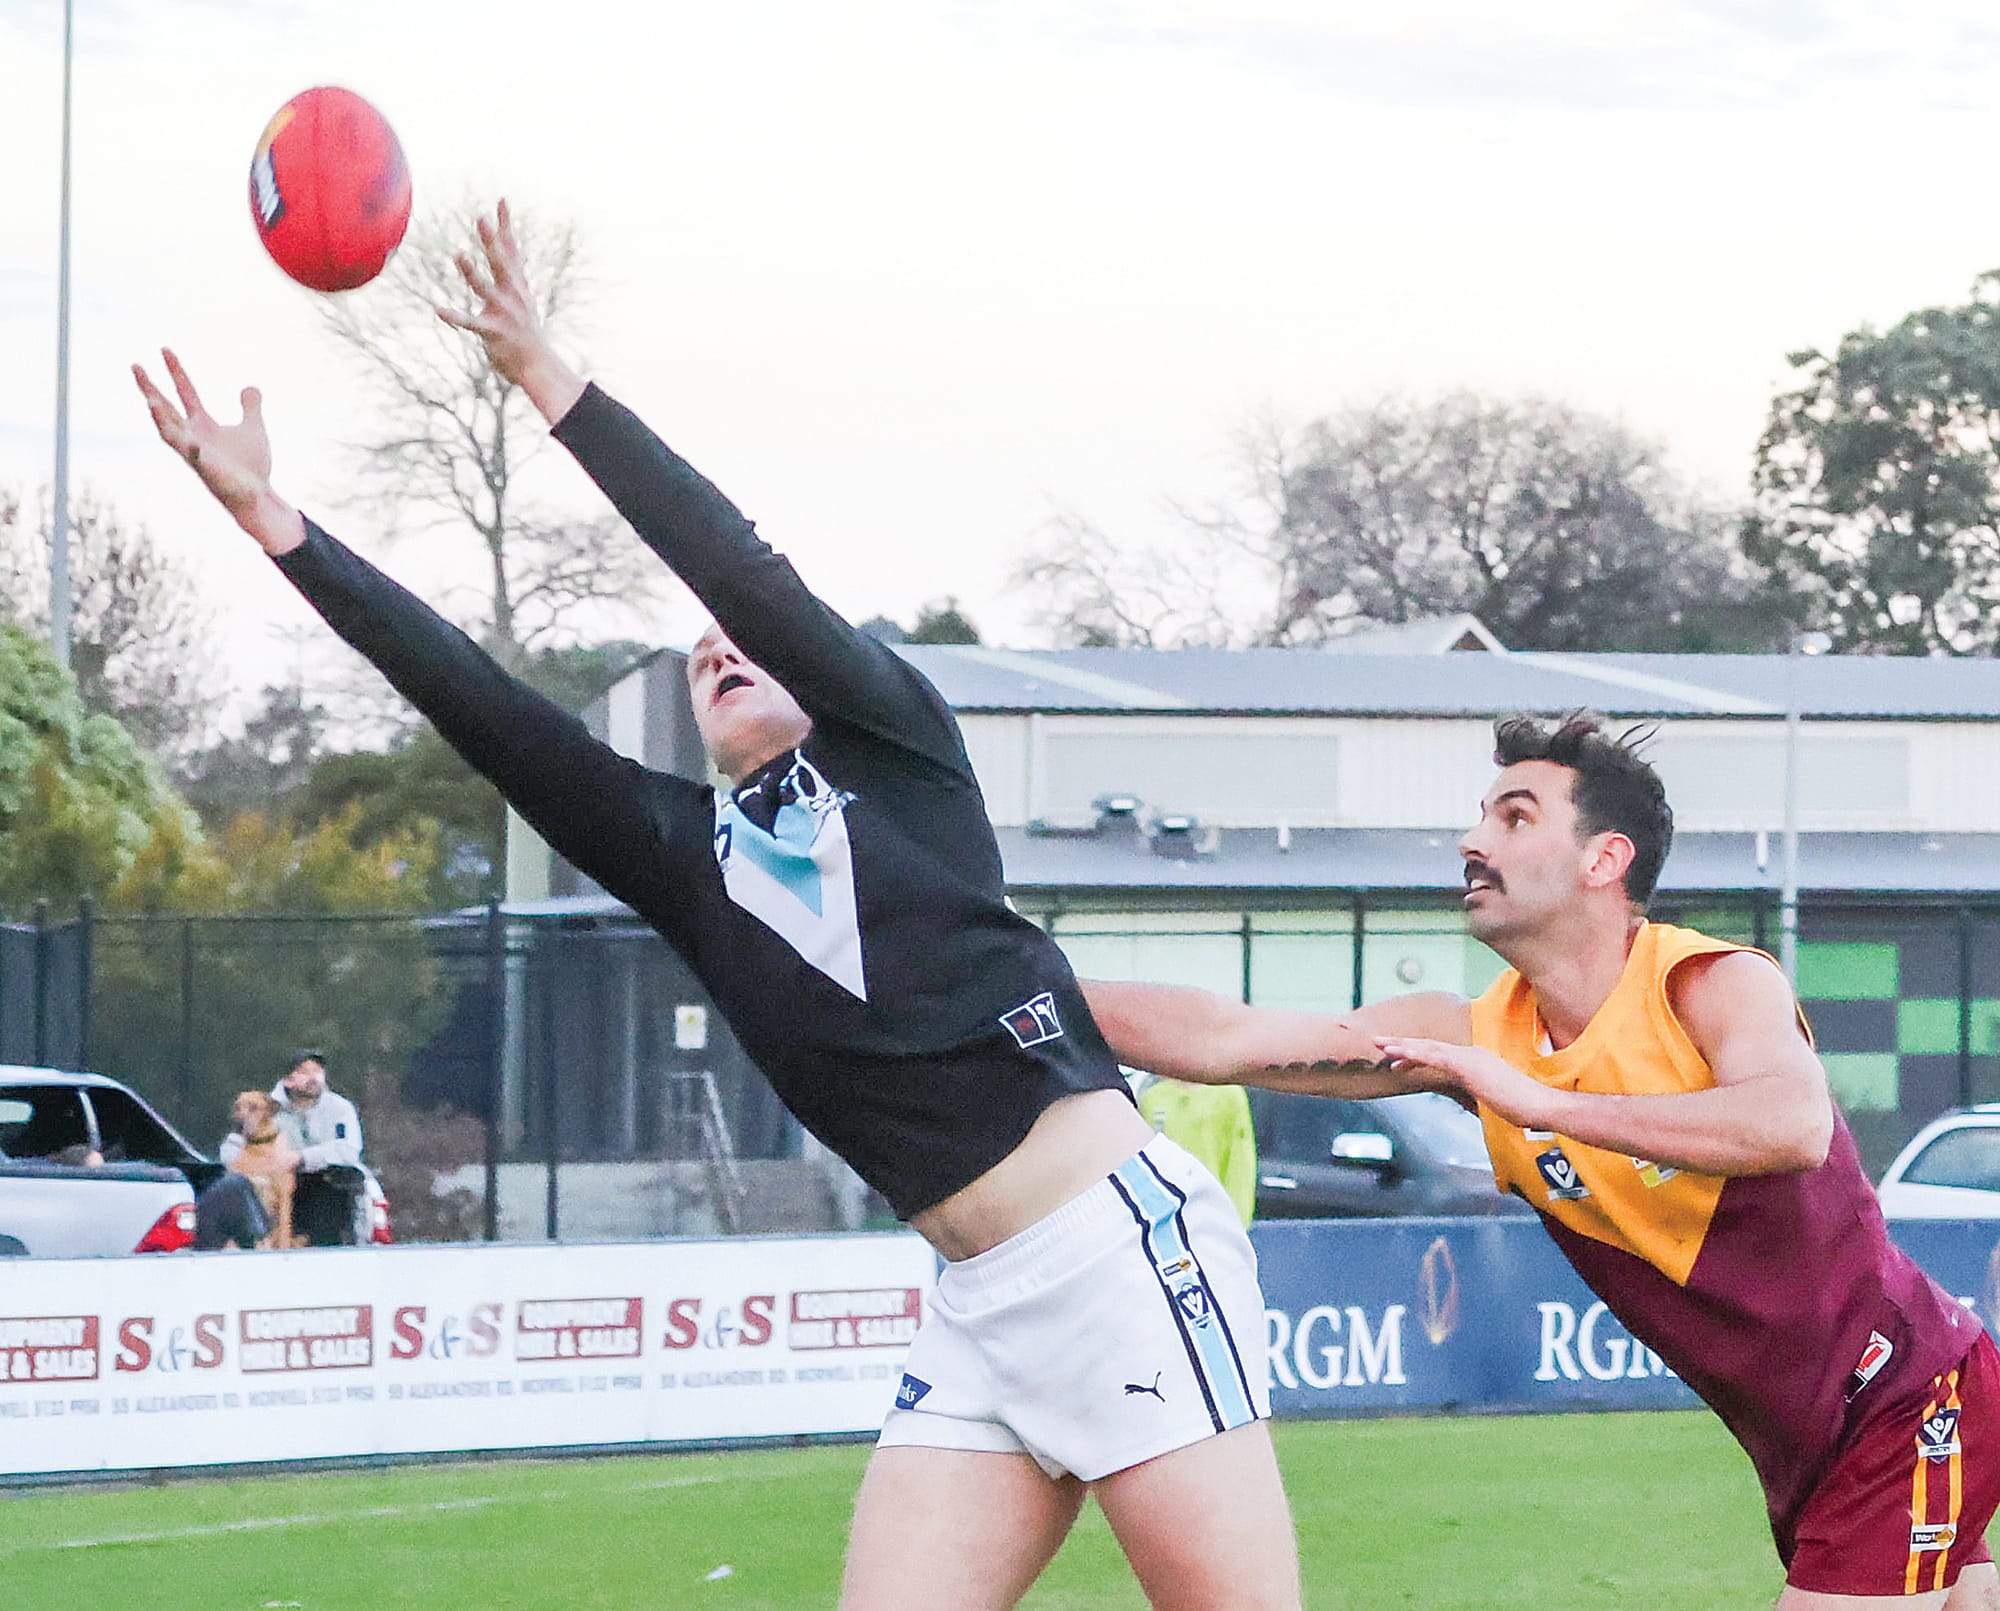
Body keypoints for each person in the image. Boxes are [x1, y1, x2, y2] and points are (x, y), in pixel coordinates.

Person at [133, 202, 1298, 1611]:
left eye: (741, 644)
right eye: (698, 659)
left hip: (1115, 1249)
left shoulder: (901, 747)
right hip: (983, 1305)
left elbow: (730, 561)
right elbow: (484, 708)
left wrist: (550, 384)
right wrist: (276, 522)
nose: (715, 644)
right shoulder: (696, 864)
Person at [1085, 712, 2000, 1610]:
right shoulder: (1471, 1036)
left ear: (1605, 860)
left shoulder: (1712, 982)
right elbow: (1226, 1036)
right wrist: (1007, 980)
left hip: (1906, 1391)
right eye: (1482, 815)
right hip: (1804, 1446)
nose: (1471, 839)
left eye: (1514, 816)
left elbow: (1792, 1124)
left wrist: (1544, 1104)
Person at [221, 1050, 364, 1245]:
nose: (314, 1077)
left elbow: (349, 1150)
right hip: (277, 1187)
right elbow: (232, 1147)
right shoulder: (264, 1107)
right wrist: (257, 1165)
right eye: (304, 1072)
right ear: (287, 1080)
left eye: (318, 1071)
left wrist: (300, 1157)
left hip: (328, 1187)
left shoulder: (340, 1108)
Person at [1134, 1074, 1256, 1228]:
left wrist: (1237, 1221)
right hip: (1164, 1213)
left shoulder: (1229, 1094)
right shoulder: (1153, 1097)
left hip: (1211, 1213)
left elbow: (1240, 1160)